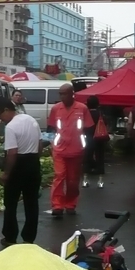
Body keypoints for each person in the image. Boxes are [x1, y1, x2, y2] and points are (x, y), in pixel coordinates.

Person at [0, 99, 42, 245]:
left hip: (18, 165)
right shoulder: (31, 120)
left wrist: (6, 173)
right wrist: (35, 160)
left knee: (11, 203)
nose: (0, 118)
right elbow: (40, 143)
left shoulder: (10, 127)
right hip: (33, 163)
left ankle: (10, 237)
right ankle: (29, 237)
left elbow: (12, 152)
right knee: (31, 203)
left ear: (7, 110)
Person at [47, 83, 93, 217]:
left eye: (64, 93)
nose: (62, 96)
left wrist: (87, 148)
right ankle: (57, 206)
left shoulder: (82, 108)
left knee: (73, 180)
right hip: (59, 149)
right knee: (59, 177)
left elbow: (89, 129)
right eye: (60, 94)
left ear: (72, 93)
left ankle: (70, 204)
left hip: (76, 149)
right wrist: (51, 143)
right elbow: (51, 128)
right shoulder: (56, 109)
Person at [82, 95, 107, 188]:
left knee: (87, 158)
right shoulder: (101, 114)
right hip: (99, 138)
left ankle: (85, 180)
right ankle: (100, 181)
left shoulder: (85, 114)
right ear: (98, 104)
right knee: (100, 158)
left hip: (88, 138)